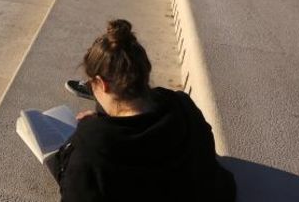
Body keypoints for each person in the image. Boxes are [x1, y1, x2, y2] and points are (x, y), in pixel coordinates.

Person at [58, 20, 237, 202]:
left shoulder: (91, 147)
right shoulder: (182, 106)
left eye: (91, 85)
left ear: (102, 84)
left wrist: (82, 138)